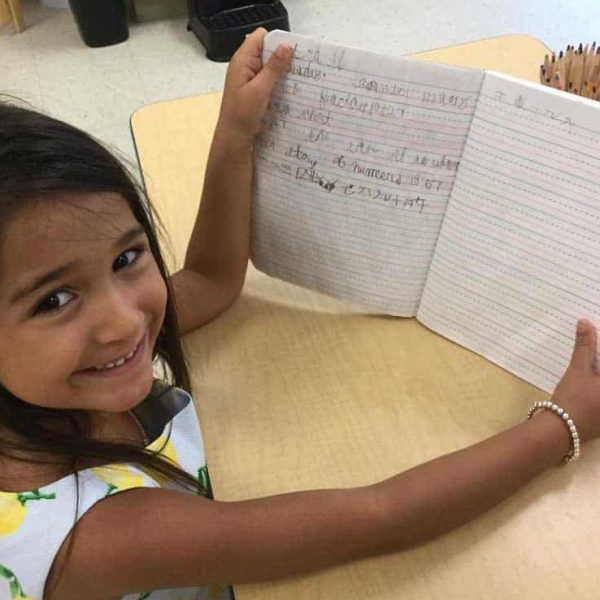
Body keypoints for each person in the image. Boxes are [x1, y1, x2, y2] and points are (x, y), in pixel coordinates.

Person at [0, 27, 599, 600]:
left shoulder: (61, 370)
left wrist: (238, 131)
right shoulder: (99, 537)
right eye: (54, 300)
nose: (126, 322)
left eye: (128, 257)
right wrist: (562, 423)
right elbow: (379, 518)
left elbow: (209, 280)